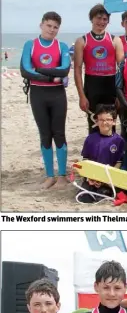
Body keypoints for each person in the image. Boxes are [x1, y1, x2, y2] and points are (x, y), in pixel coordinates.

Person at [20, 11, 72, 189]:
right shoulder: (31, 45)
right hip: (38, 94)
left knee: (59, 133)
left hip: (57, 95)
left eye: (55, 27)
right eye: (49, 25)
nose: (52, 29)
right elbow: (26, 71)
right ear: (41, 25)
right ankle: (50, 176)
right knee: (45, 135)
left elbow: (64, 70)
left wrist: (39, 69)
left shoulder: (62, 46)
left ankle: (62, 176)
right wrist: (51, 76)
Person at [74, 4, 117, 134]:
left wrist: (120, 95)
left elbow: (122, 69)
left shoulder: (115, 40)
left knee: (110, 123)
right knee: (93, 123)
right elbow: (77, 69)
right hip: (92, 86)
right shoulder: (82, 41)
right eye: (98, 18)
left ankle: (111, 151)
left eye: (105, 19)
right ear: (91, 19)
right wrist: (81, 96)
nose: (101, 22)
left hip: (111, 85)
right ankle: (94, 153)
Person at [77, 104, 125, 203]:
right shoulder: (91, 139)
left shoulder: (119, 141)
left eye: (108, 119)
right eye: (101, 120)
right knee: (85, 198)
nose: (104, 122)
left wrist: (104, 180)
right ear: (96, 121)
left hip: (109, 178)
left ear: (114, 122)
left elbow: (119, 163)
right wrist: (89, 177)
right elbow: (86, 160)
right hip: (92, 176)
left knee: (102, 197)